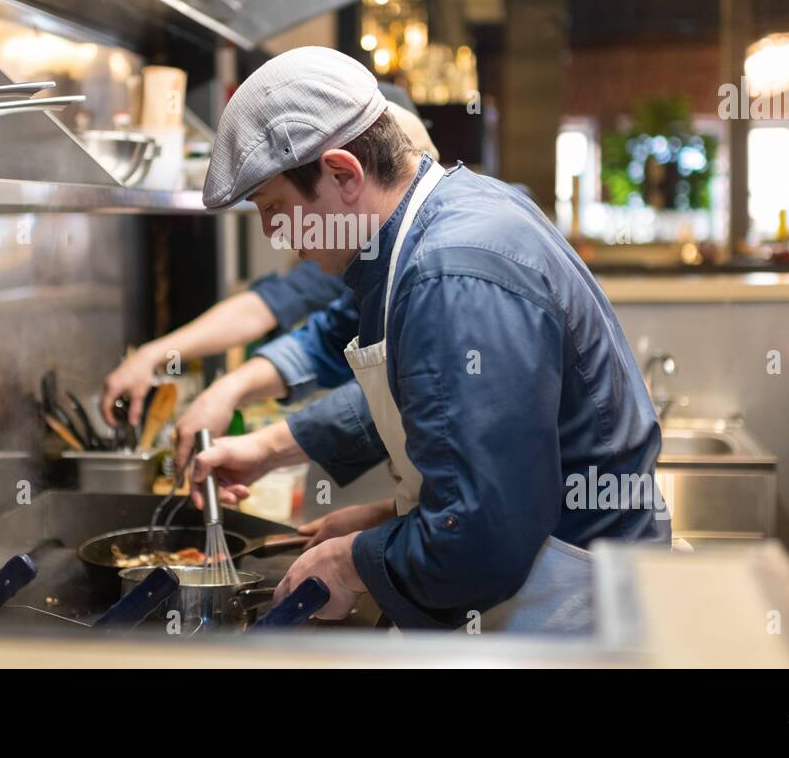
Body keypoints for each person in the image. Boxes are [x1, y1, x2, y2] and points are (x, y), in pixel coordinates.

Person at [192, 47, 670, 631]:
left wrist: (352, 561)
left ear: (343, 175)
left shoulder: (451, 274)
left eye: (275, 209)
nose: (278, 237)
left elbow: (483, 538)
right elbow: (436, 405)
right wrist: (388, 519)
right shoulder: (437, 227)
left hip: (567, 613)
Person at [100, 95, 438, 439]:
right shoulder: (369, 255)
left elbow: (413, 409)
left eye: (273, 205)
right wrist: (228, 391)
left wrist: (268, 444)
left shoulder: (437, 271)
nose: (272, 231)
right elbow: (323, 343)